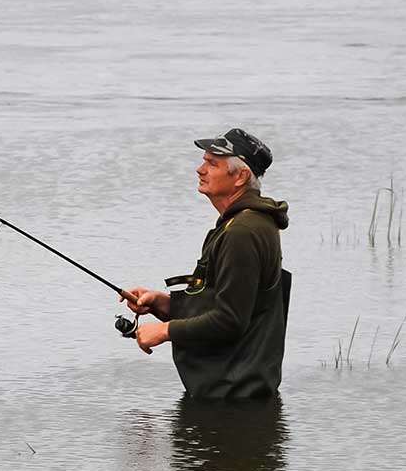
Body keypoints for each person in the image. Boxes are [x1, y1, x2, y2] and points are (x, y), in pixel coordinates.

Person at [121, 128, 291, 399]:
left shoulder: (243, 231)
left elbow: (230, 320)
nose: (200, 170)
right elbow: (225, 302)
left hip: (233, 399)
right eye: (204, 161)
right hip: (230, 392)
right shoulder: (240, 224)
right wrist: (165, 305)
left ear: (240, 176)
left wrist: (165, 330)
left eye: (212, 164)